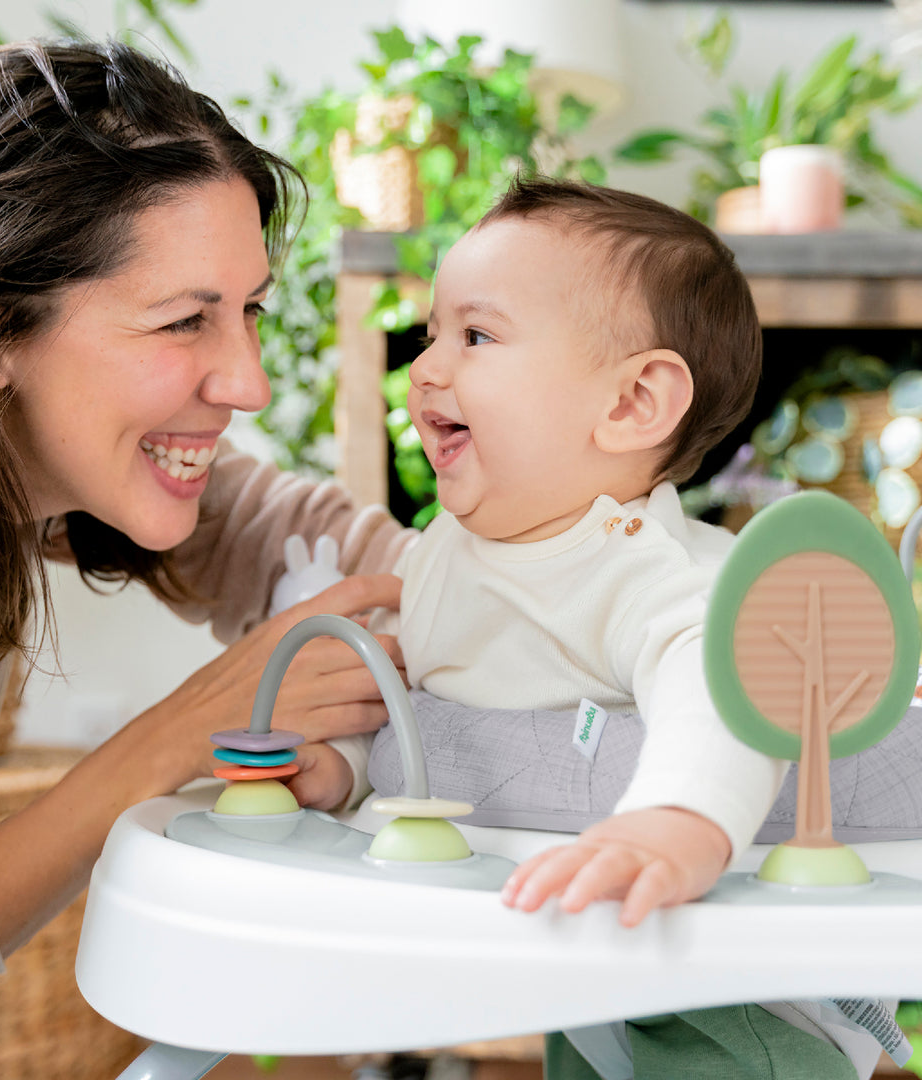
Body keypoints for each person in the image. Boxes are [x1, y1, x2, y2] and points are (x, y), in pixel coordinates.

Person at [0, 40, 415, 1079]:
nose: (244, 381)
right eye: (185, 320)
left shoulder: (0, 458)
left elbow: (311, 543)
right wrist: (185, 731)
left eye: (248, 311)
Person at [309, 178, 876, 1079]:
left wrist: (676, 821)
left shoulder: (653, 572)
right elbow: (434, 732)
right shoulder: (438, 557)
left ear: (631, 404)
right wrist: (334, 772)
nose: (425, 369)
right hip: (581, 940)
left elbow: (722, 688)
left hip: (719, 973)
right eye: (431, 334)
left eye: (478, 335)